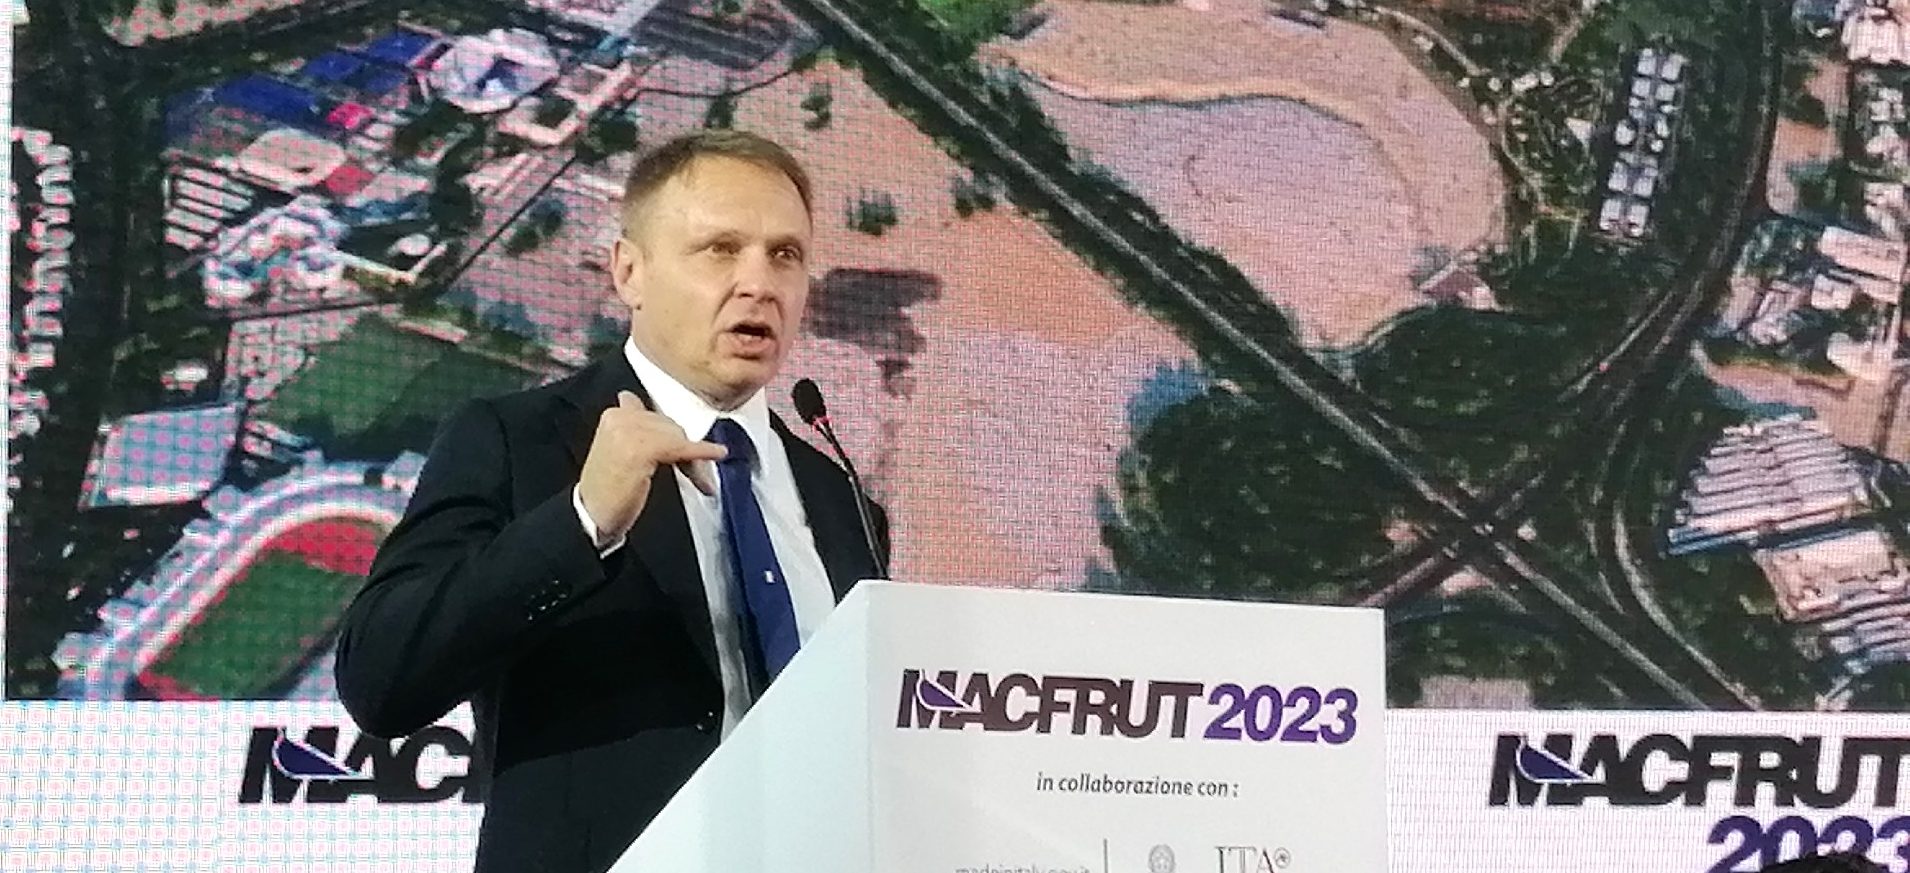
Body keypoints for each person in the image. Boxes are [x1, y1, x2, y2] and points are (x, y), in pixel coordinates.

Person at [334, 129, 890, 873]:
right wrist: (582, 521)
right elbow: (380, 681)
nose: (759, 283)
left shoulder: (842, 498)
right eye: (721, 249)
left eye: (784, 254)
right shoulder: (517, 440)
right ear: (629, 272)